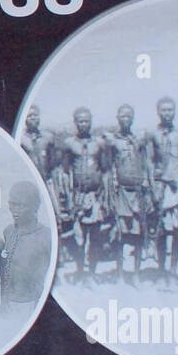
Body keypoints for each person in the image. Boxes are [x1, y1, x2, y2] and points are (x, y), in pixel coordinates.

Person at [56, 107, 108, 285]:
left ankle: (91, 273)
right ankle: (80, 271)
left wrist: (103, 196)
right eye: (80, 121)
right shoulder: (69, 144)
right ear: (75, 122)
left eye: (86, 120)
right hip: (78, 195)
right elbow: (64, 171)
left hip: (94, 195)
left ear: (91, 121)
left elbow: (104, 169)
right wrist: (68, 198)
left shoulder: (99, 143)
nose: (83, 124)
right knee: (79, 237)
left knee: (95, 237)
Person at [147, 97, 178, 289]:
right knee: (161, 232)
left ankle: (173, 271)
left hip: (177, 188)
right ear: (158, 112)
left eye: (170, 110)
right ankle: (161, 270)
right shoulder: (153, 135)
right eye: (164, 110)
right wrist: (153, 185)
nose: (167, 113)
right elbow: (149, 161)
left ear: (175, 111)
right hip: (160, 187)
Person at [106, 104, 149, 287]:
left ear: (132, 118)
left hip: (138, 192)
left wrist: (146, 182)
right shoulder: (113, 141)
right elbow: (109, 167)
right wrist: (112, 189)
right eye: (123, 116)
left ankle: (137, 274)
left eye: (129, 116)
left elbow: (144, 162)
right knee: (121, 236)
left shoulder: (138, 140)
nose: (126, 119)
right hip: (121, 192)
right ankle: (121, 274)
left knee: (139, 236)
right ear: (118, 118)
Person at [0, 181, 51, 313]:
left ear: (35, 206)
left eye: (21, 205)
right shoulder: (8, 231)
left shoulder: (46, 236)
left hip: (32, 304)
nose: (15, 209)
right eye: (12, 204)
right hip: (8, 303)